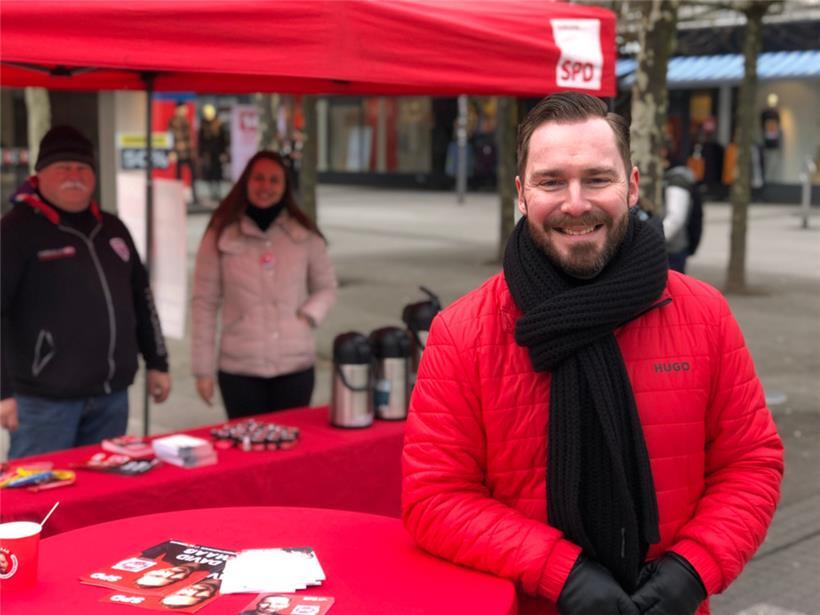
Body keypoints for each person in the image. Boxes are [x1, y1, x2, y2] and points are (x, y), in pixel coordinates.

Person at [402, 93, 783, 615]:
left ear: (632, 186)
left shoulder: (704, 314)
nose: (575, 203)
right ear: (521, 193)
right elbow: (434, 499)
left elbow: (750, 463)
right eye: (552, 181)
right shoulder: (462, 333)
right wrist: (560, 572)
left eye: (597, 179)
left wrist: (694, 568)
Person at [0, 126, 171, 459]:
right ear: (40, 174)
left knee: (103, 500)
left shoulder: (111, 228)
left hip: (111, 397)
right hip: (43, 404)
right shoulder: (14, 231)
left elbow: (142, 298)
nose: (73, 176)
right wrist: (1, 391)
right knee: (38, 501)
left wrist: (158, 361)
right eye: (63, 167)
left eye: (82, 168)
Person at [191, 151, 337, 418]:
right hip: (239, 369)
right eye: (259, 178)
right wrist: (203, 370)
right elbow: (204, 303)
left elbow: (326, 287)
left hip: (295, 366)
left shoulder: (304, 235)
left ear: (285, 187)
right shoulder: (220, 234)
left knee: (292, 453)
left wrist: (306, 316)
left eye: (274, 180)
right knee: (249, 454)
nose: (266, 187)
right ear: (246, 181)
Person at [661, 147, 697, 273]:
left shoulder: (677, 179)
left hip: (672, 250)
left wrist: (653, 242)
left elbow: (675, 218)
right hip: (669, 247)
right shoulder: (668, 176)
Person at [168, 101, 198, 205]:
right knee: (178, 176)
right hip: (179, 152)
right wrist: (172, 151)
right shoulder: (173, 121)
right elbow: (170, 138)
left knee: (193, 175)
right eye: (183, 108)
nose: (185, 110)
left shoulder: (186, 120)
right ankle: (178, 197)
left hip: (188, 152)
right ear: (178, 109)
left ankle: (194, 197)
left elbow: (189, 137)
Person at [198, 104, 228, 202]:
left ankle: (218, 191)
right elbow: (201, 140)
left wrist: (223, 152)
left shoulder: (218, 124)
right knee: (209, 172)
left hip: (218, 152)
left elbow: (223, 139)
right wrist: (201, 153)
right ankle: (212, 192)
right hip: (208, 153)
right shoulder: (203, 124)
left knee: (218, 172)